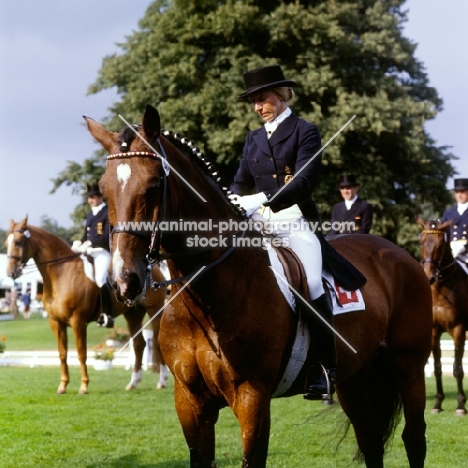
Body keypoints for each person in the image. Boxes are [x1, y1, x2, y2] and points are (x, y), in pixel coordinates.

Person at [230, 64, 366, 401]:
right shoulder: (253, 138)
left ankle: (325, 368)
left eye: (262, 99)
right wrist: (233, 199)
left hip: (293, 218)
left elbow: (304, 181)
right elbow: (240, 179)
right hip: (259, 222)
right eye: (253, 102)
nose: (258, 107)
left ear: (281, 95)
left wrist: (261, 197)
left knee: (313, 280)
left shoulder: (306, 130)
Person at [72, 184, 114, 328]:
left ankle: (107, 315)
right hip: (89, 251)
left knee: (100, 278)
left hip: (102, 251)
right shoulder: (90, 214)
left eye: (93, 198)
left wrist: (91, 243)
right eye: (89, 198)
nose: (90, 201)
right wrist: (79, 242)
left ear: (100, 197)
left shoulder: (108, 211)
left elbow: (108, 235)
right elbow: (86, 233)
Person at [441, 178, 468, 271]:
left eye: (462, 192)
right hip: (451, 250)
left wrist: (464, 247)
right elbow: (444, 233)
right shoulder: (449, 212)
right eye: (457, 192)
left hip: (466, 251)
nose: (459, 195)